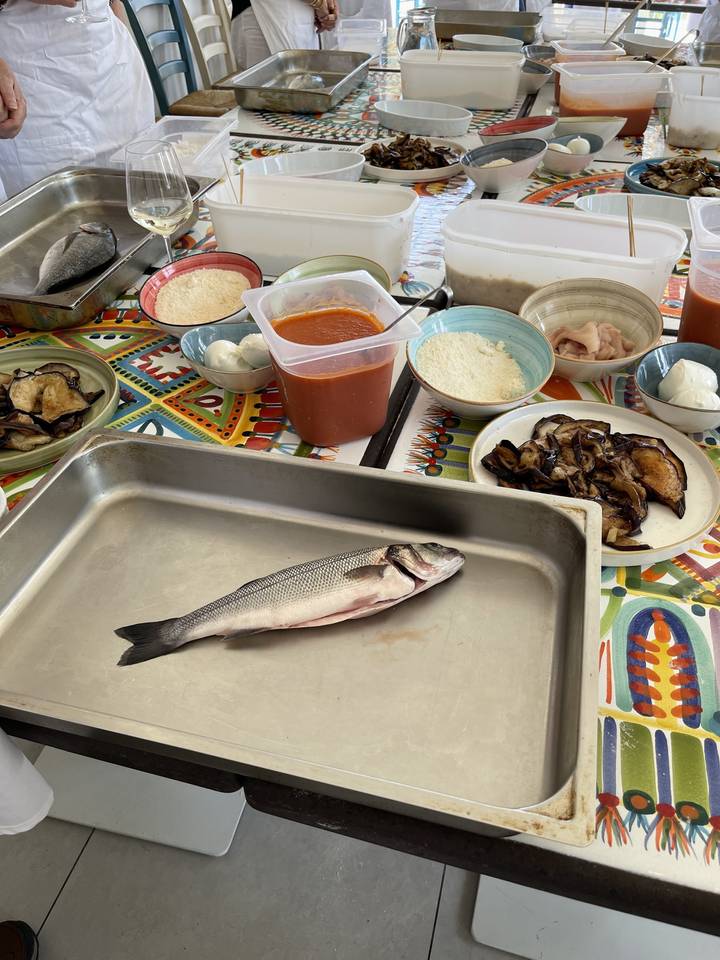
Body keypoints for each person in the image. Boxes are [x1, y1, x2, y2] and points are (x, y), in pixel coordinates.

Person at [0, 0, 155, 199]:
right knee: (57, 212)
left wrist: (117, 24)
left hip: (112, 65)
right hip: (37, 79)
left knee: (138, 193)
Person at [230, 0, 339, 73]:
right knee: (269, 96)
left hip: (301, 16)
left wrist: (328, 4)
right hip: (264, 16)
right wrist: (318, 3)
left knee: (305, 86)